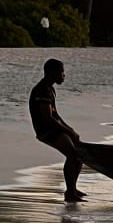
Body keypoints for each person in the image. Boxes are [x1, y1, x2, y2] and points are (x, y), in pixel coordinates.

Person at [29, 58, 85, 202]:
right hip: (46, 131)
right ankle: (70, 193)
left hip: (53, 128)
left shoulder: (50, 89)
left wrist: (69, 129)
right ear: (52, 73)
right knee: (72, 155)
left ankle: (72, 188)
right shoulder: (42, 90)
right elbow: (48, 118)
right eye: (61, 72)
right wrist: (68, 131)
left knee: (78, 154)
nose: (63, 75)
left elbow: (56, 115)